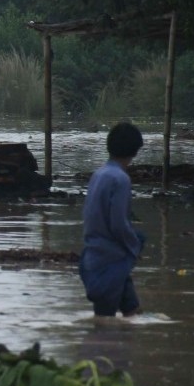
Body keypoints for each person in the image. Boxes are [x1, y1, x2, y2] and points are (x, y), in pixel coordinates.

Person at [80, 123, 147, 317]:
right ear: (135, 151)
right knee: (104, 322)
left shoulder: (99, 174)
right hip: (110, 258)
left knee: (133, 313)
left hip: (93, 253)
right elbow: (119, 224)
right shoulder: (120, 179)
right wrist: (134, 247)